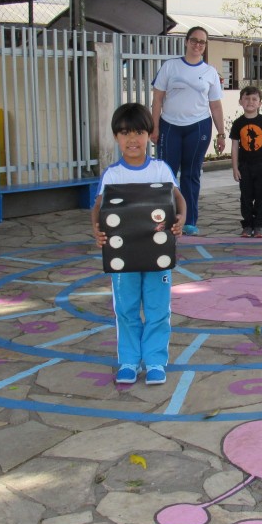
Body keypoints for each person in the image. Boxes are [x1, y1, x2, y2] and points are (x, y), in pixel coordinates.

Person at [93, 103, 186, 386]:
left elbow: (177, 198)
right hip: (124, 259)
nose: (132, 139)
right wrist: (96, 230)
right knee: (126, 308)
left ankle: (156, 360)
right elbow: (99, 206)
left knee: (158, 308)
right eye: (124, 133)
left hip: (158, 256)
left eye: (138, 132)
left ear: (149, 134)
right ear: (116, 137)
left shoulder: (160, 169)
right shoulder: (113, 175)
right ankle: (129, 361)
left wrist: (181, 218)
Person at [150, 26, 225, 236]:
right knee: (167, 173)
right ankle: (163, 218)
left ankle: (189, 219)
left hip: (199, 126)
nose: (197, 45)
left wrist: (221, 133)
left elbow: (216, 105)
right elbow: (157, 99)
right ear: (186, 41)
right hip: (170, 126)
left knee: (191, 174)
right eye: (194, 40)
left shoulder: (209, 72)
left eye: (202, 42)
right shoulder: (170, 67)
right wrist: (154, 127)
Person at [230, 86, 262, 238]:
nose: (250, 102)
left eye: (254, 99)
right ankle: (248, 224)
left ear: (260, 103)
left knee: (261, 196)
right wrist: (235, 167)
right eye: (247, 98)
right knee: (246, 196)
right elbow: (235, 146)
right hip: (244, 166)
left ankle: (259, 225)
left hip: (261, 166)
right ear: (240, 101)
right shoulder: (238, 123)